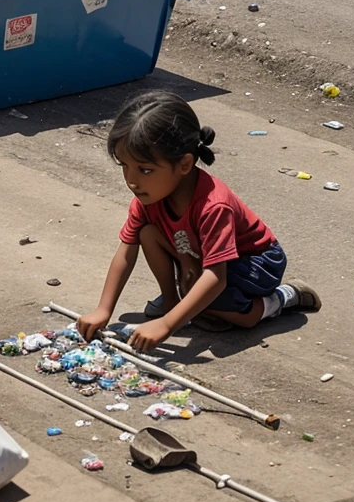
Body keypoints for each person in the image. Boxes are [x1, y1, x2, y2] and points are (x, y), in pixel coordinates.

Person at [77, 91, 321, 353]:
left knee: (222, 307)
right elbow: (126, 252)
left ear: (184, 164)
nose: (132, 180)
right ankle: (173, 302)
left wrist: (167, 326)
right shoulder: (148, 198)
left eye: (145, 169)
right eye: (124, 166)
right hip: (204, 253)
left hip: (255, 262)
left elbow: (216, 278)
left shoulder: (214, 205)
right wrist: (103, 310)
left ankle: (283, 297)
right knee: (147, 234)